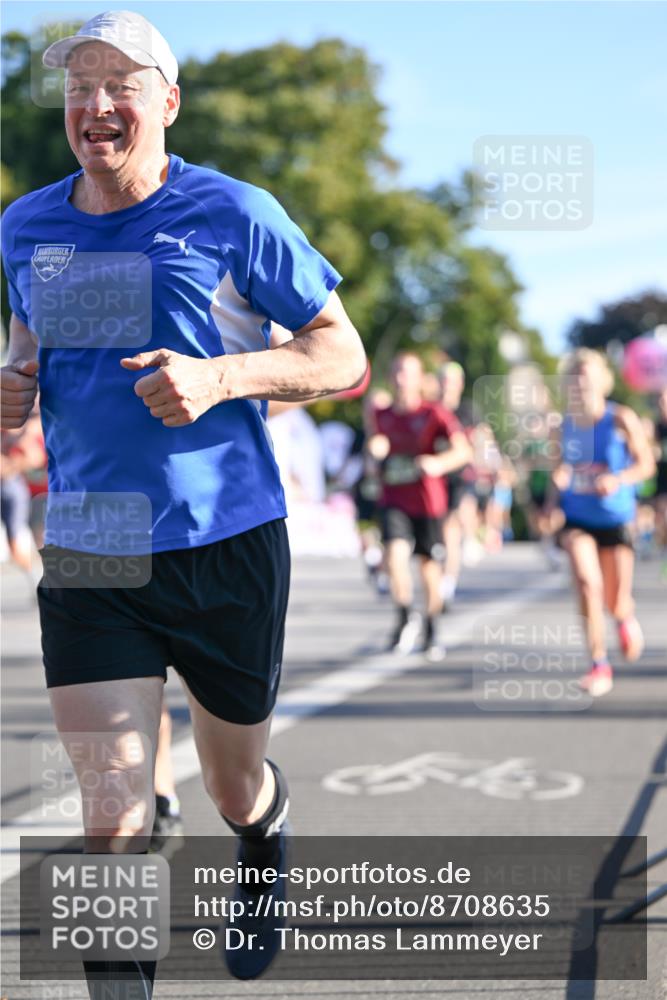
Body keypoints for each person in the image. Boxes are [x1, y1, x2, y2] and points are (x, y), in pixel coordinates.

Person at [0, 11, 366, 995]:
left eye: (120, 85)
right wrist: (9, 385)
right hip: (94, 544)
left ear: (167, 101)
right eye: (79, 88)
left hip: (225, 536)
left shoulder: (232, 211)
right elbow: (32, 356)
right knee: (113, 811)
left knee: (231, 781)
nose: (96, 106)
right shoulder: (25, 224)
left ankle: (262, 827)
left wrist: (224, 376)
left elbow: (342, 354)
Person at [552, 349, 655, 697]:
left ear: (601, 379)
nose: (581, 383)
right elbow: (556, 471)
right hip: (577, 518)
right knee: (586, 583)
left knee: (614, 600)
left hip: (616, 518)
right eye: (575, 376)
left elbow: (646, 466)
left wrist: (619, 479)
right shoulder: (562, 426)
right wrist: (554, 494)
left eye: (587, 375)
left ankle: (624, 617)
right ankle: (598, 663)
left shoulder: (621, 418)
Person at [367, 353, 472, 659]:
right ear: (391, 377)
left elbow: (463, 451)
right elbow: (374, 448)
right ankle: (404, 616)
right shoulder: (382, 415)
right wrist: (374, 453)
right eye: (397, 372)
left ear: (419, 380)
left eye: (408, 373)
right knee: (395, 556)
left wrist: (438, 463)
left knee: (428, 566)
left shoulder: (434, 414)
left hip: (428, 502)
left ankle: (431, 626)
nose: (402, 379)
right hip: (394, 498)